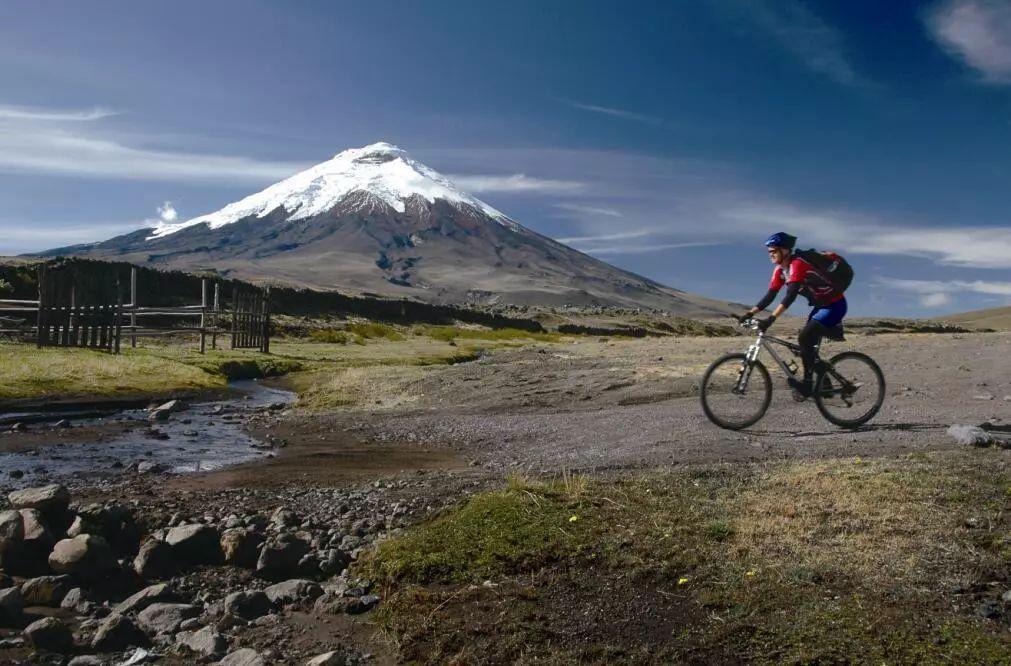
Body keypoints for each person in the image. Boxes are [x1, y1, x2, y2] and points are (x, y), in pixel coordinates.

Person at [739, 232, 847, 397]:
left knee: (804, 338)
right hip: (820, 307)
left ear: (785, 250)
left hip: (835, 305)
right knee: (805, 349)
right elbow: (770, 296)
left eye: (773, 251)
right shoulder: (780, 271)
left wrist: (771, 318)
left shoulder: (797, 264)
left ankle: (807, 385)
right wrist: (749, 313)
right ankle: (825, 384)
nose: (770, 254)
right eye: (769, 252)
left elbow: (790, 296)